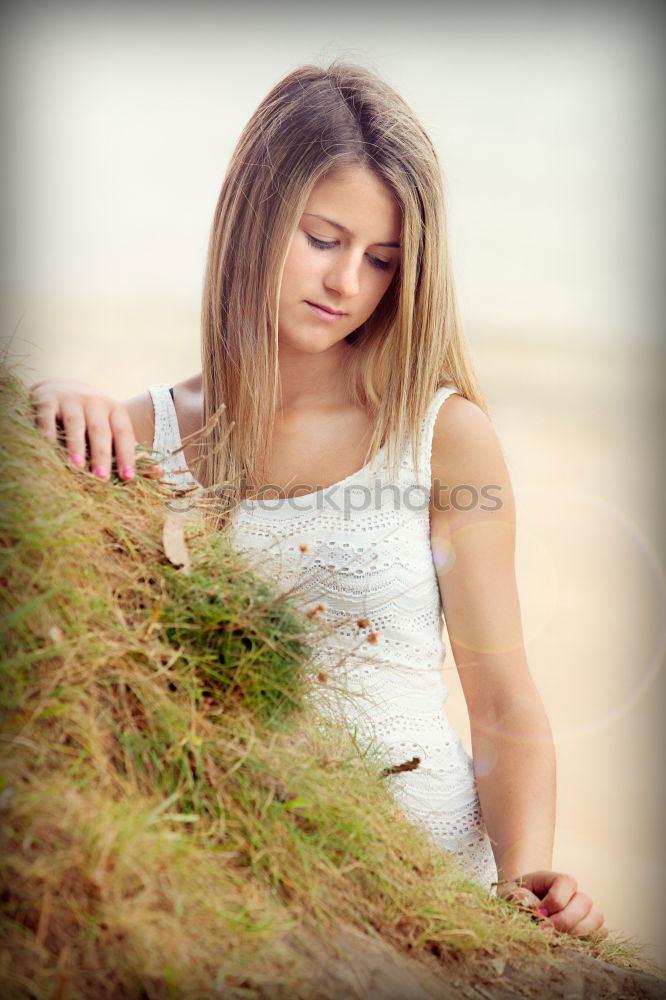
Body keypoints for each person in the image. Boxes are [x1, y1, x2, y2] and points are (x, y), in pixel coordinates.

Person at [30, 62, 606, 937]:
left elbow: (504, 702)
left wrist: (528, 881)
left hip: (427, 872)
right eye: (324, 238)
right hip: (243, 876)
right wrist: (50, 404)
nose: (347, 284)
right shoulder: (139, 437)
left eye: (382, 260)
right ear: (254, 214)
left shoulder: (440, 435)